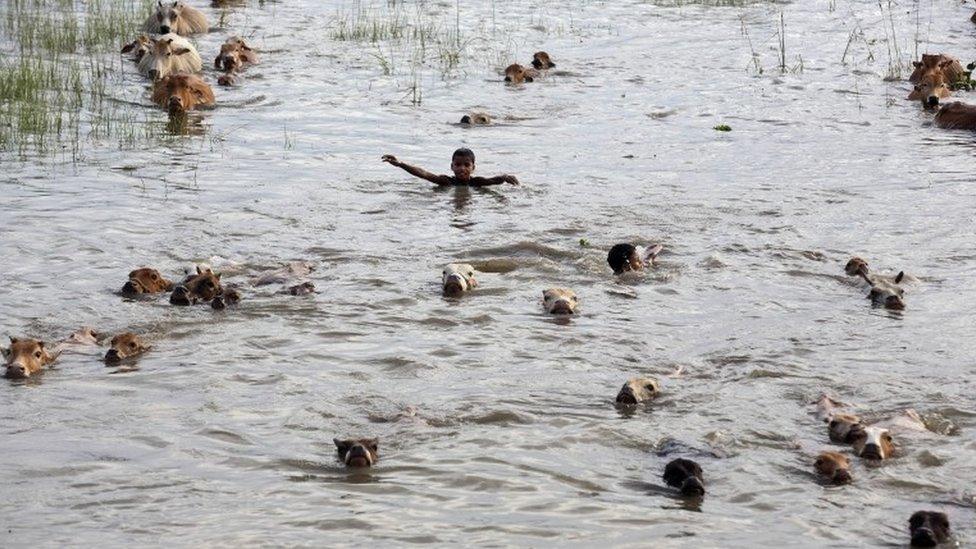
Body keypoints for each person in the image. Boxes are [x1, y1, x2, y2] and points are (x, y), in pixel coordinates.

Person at [381, 148, 519, 187]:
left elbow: (493, 180)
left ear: (473, 168)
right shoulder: (446, 182)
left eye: (466, 165)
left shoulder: (476, 182)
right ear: (451, 167)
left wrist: (504, 177)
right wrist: (400, 164)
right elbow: (423, 174)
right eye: (458, 165)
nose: (462, 168)